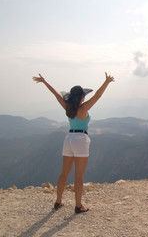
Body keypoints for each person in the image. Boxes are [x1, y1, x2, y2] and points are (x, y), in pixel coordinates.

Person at [32, 72, 115, 214]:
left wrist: (44, 81)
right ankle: (78, 206)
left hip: (68, 139)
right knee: (78, 176)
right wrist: (106, 82)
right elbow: (97, 96)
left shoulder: (67, 107)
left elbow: (56, 94)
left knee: (63, 173)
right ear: (82, 97)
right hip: (81, 140)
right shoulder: (83, 108)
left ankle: (58, 202)